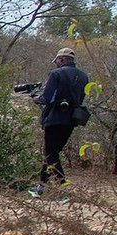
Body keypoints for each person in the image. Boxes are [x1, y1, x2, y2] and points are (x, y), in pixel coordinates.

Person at [29, 47, 90, 196]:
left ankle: (63, 189)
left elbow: (46, 98)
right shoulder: (84, 76)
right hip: (72, 120)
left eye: (57, 61)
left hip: (54, 119)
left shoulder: (56, 73)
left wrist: (34, 98)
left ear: (62, 59)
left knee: (50, 154)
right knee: (52, 153)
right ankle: (40, 188)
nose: (56, 63)